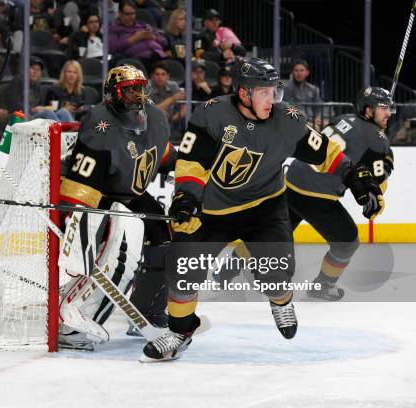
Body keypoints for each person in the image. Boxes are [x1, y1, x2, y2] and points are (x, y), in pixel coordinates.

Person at [140, 58, 384, 362]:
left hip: (264, 210)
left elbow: (325, 152)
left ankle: (281, 302)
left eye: (274, 91)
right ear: (244, 93)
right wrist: (186, 198)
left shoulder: (288, 119)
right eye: (264, 92)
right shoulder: (211, 113)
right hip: (213, 211)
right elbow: (192, 163)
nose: (273, 99)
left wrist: (355, 177)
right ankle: (180, 331)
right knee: (183, 270)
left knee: (277, 275)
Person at [58, 65, 176, 349]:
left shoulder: (156, 118)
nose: (137, 96)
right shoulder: (100, 122)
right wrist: (76, 233)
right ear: (113, 93)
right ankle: (72, 317)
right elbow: (80, 190)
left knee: (164, 234)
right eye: (129, 90)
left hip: (132, 194)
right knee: (121, 245)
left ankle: (146, 312)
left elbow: (167, 157)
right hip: (100, 193)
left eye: (140, 88)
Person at [284, 87, 393, 300]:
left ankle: (228, 268)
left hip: (291, 180)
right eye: (383, 108)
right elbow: (376, 182)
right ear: (369, 110)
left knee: (267, 234)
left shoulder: (343, 118)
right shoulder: (377, 138)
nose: (388, 113)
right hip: (317, 194)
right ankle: (323, 286)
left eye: (389, 108)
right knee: (347, 242)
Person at [108, 0, 167, 72]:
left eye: (132, 14)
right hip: (139, 60)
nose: (130, 17)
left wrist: (154, 37)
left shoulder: (143, 25)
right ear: (120, 14)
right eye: (127, 14)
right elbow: (112, 48)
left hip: (159, 55)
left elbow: (164, 42)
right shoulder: (115, 30)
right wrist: (135, 38)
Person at [147, 60, 186, 142]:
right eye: (157, 74)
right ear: (152, 76)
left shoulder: (173, 85)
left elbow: (183, 108)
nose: (160, 77)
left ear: (168, 76)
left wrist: (173, 118)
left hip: (172, 123)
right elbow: (152, 111)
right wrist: (172, 98)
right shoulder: (147, 87)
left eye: (163, 74)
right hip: (151, 125)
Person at [283, 60, 323, 130]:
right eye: (296, 70)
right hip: (295, 121)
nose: (299, 73)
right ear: (293, 72)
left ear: (307, 72)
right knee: (315, 128)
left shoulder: (313, 89)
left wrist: (317, 117)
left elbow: (318, 108)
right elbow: (289, 108)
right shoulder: (287, 89)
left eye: (302, 70)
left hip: (311, 120)